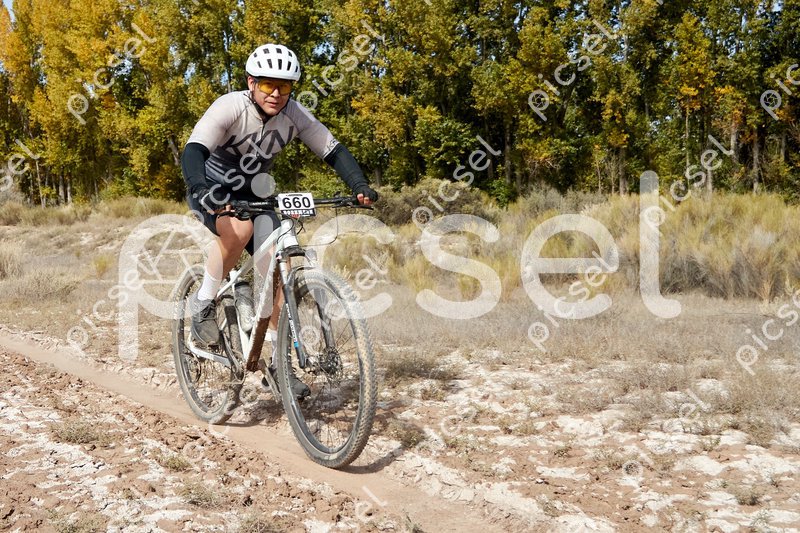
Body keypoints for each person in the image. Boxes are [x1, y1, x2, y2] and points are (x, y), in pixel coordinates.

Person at [181, 43, 378, 398]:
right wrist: (200, 187)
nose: (276, 93)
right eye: (268, 84)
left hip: (254, 193)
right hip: (210, 188)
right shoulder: (230, 107)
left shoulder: (295, 114)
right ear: (251, 83)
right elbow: (194, 150)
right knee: (239, 230)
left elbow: (332, 150)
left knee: (276, 268)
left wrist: (359, 185)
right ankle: (204, 302)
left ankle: (278, 364)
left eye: (284, 86)